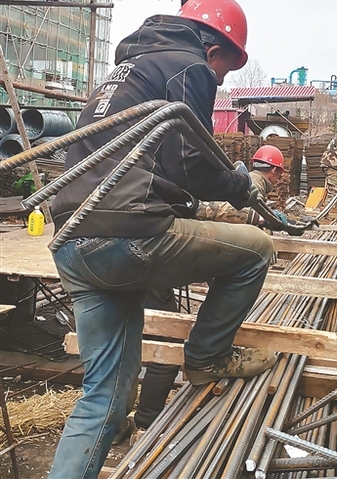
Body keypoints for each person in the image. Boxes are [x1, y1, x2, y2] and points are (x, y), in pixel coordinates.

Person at [47, 0, 278, 479]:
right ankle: (207, 358)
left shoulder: (126, 72)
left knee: (104, 400)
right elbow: (195, 161)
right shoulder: (188, 65)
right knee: (256, 251)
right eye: (224, 70)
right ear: (214, 50)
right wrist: (242, 187)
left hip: (73, 243)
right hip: (126, 233)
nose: (218, 79)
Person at [114, 145, 289, 443]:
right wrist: (258, 220)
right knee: (164, 343)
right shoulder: (181, 158)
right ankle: (146, 421)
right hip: (146, 247)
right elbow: (198, 206)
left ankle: (114, 427)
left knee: (120, 340)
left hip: (107, 246)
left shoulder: (132, 157)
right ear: (275, 171)